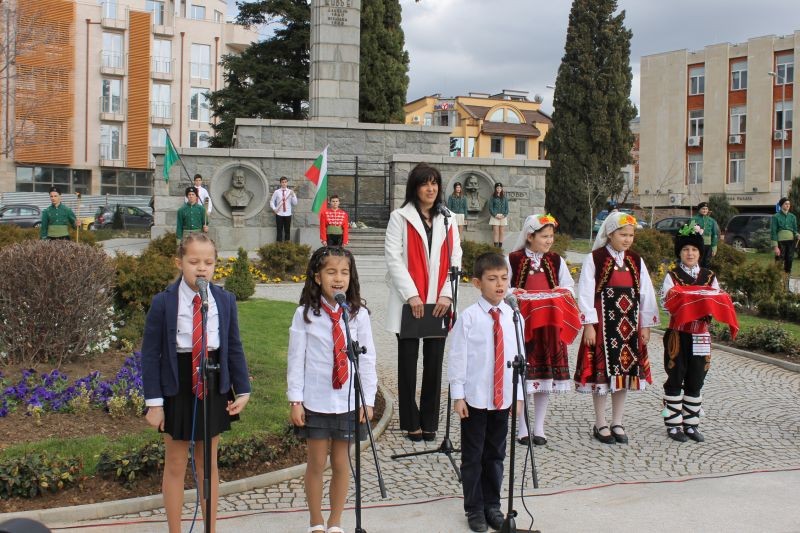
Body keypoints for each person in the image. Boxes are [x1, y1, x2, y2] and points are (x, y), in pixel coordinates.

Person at [141, 233, 251, 533]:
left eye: (208, 262)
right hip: (177, 382)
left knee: (207, 463)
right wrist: (154, 403)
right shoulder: (164, 302)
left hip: (211, 380)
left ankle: (210, 529)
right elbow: (150, 355)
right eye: (194, 262)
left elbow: (233, 345)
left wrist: (242, 389)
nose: (201, 268)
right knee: (176, 462)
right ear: (179, 263)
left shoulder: (224, 300)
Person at [288, 246, 377, 533]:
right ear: (317, 277)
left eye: (344, 272)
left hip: (347, 401)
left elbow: (367, 359)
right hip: (316, 400)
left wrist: (368, 399)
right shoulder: (304, 315)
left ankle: (335, 522)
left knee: (341, 462)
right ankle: (316, 522)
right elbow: (295, 359)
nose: (338, 278)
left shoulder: (358, 315)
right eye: (331, 272)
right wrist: (295, 400)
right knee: (316, 462)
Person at [385, 162, 462, 442]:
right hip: (409, 302)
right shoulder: (399, 217)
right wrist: (411, 294)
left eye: (434, 183)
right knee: (408, 364)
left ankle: (429, 421)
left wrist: (447, 294)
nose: (431, 189)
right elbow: (393, 258)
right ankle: (410, 421)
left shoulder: (448, 218)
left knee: (434, 364)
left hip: (439, 301)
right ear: (414, 188)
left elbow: (455, 257)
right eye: (424, 183)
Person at [448, 252, 521, 533]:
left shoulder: (513, 316)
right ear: (478, 283)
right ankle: (474, 508)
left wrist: (519, 396)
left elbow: (519, 356)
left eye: (504, 278)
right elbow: (458, 358)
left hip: (502, 399)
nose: (500, 284)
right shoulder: (468, 318)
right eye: (492, 279)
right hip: (476, 399)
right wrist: (458, 395)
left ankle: (493, 505)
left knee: (495, 455)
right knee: (473, 456)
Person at [574, 211, 659, 444]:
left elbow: (646, 292)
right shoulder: (595, 258)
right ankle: (600, 422)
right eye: (623, 234)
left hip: (628, 326)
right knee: (601, 374)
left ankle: (617, 421)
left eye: (631, 235)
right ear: (610, 234)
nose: (627, 239)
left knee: (625, 372)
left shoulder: (635, 260)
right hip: (603, 325)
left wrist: (646, 324)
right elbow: (585, 292)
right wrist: (589, 325)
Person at [507, 214, 574, 446]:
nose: (549, 241)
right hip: (524, 327)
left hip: (549, 326)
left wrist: (558, 293)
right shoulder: (513, 259)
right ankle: (523, 426)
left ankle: (539, 426)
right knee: (525, 375)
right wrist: (517, 294)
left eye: (551, 236)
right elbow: (505, 287)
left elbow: (568, 286)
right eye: (544, 236)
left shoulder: (555, 260)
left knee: (545, 376)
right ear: (530, 236)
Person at [660, 225, 721, 443]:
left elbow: (716, 300)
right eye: (686, 249)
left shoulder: (709, 276)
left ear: (700, 253)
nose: (690, 253)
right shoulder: (673, 276)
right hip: (679, 334)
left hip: (701, 335)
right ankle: (673, 424)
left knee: (696, 377)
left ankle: (691, 424)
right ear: (680, 252)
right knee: (676, 375)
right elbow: (666, 302)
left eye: (694, 250)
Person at [771, 197, 798, 288]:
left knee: (789, 263)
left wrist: (797, 234)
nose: (788, 205)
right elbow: (773, 232)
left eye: (789, 204)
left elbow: (795, 230)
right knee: (778, 264)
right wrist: (775, 247)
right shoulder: (775, 217)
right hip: (780, 243)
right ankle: (776, 286)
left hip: (791, 243)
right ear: (781, 205)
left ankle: (786, 287)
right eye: (786, 204)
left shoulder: (792, 217)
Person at [689, 201, 719, 268]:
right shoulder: (694, 219)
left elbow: (714, 234)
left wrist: (714, 247)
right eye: (703, 209)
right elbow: (690, 232)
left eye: (706, 209)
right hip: (697, 244)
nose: (705, 210)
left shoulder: (712, 220)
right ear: (699, 210)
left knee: (707, 262)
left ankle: (705, 274)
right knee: (697, 262)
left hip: (708, 245)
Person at [270, 176, 297, 242]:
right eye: (283, 182)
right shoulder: (277, 192)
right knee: (279, 230)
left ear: (287, 183)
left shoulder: (290, 192)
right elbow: (271, 201)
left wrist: (293, 195)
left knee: (287, 230)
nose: (284, 183)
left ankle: (287, 245)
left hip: (288, 214)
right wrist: (274, 208)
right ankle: (279, 245)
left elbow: (295, 203)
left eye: (285, 182)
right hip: (279, 214)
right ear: (280, 183)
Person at [488, 182, 509, 248]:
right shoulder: (492, 197)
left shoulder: (504, 198)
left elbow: (507, 208)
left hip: (503, 217)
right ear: (495, 189)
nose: (499, 189)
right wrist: (495, 215)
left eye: (500, 188)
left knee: (502, 232)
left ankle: (500, 247)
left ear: (502, 189)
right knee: (496, 232)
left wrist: (504, 215)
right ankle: (495, 248)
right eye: (497, 188)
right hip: (495, 217)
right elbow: (490, 208)